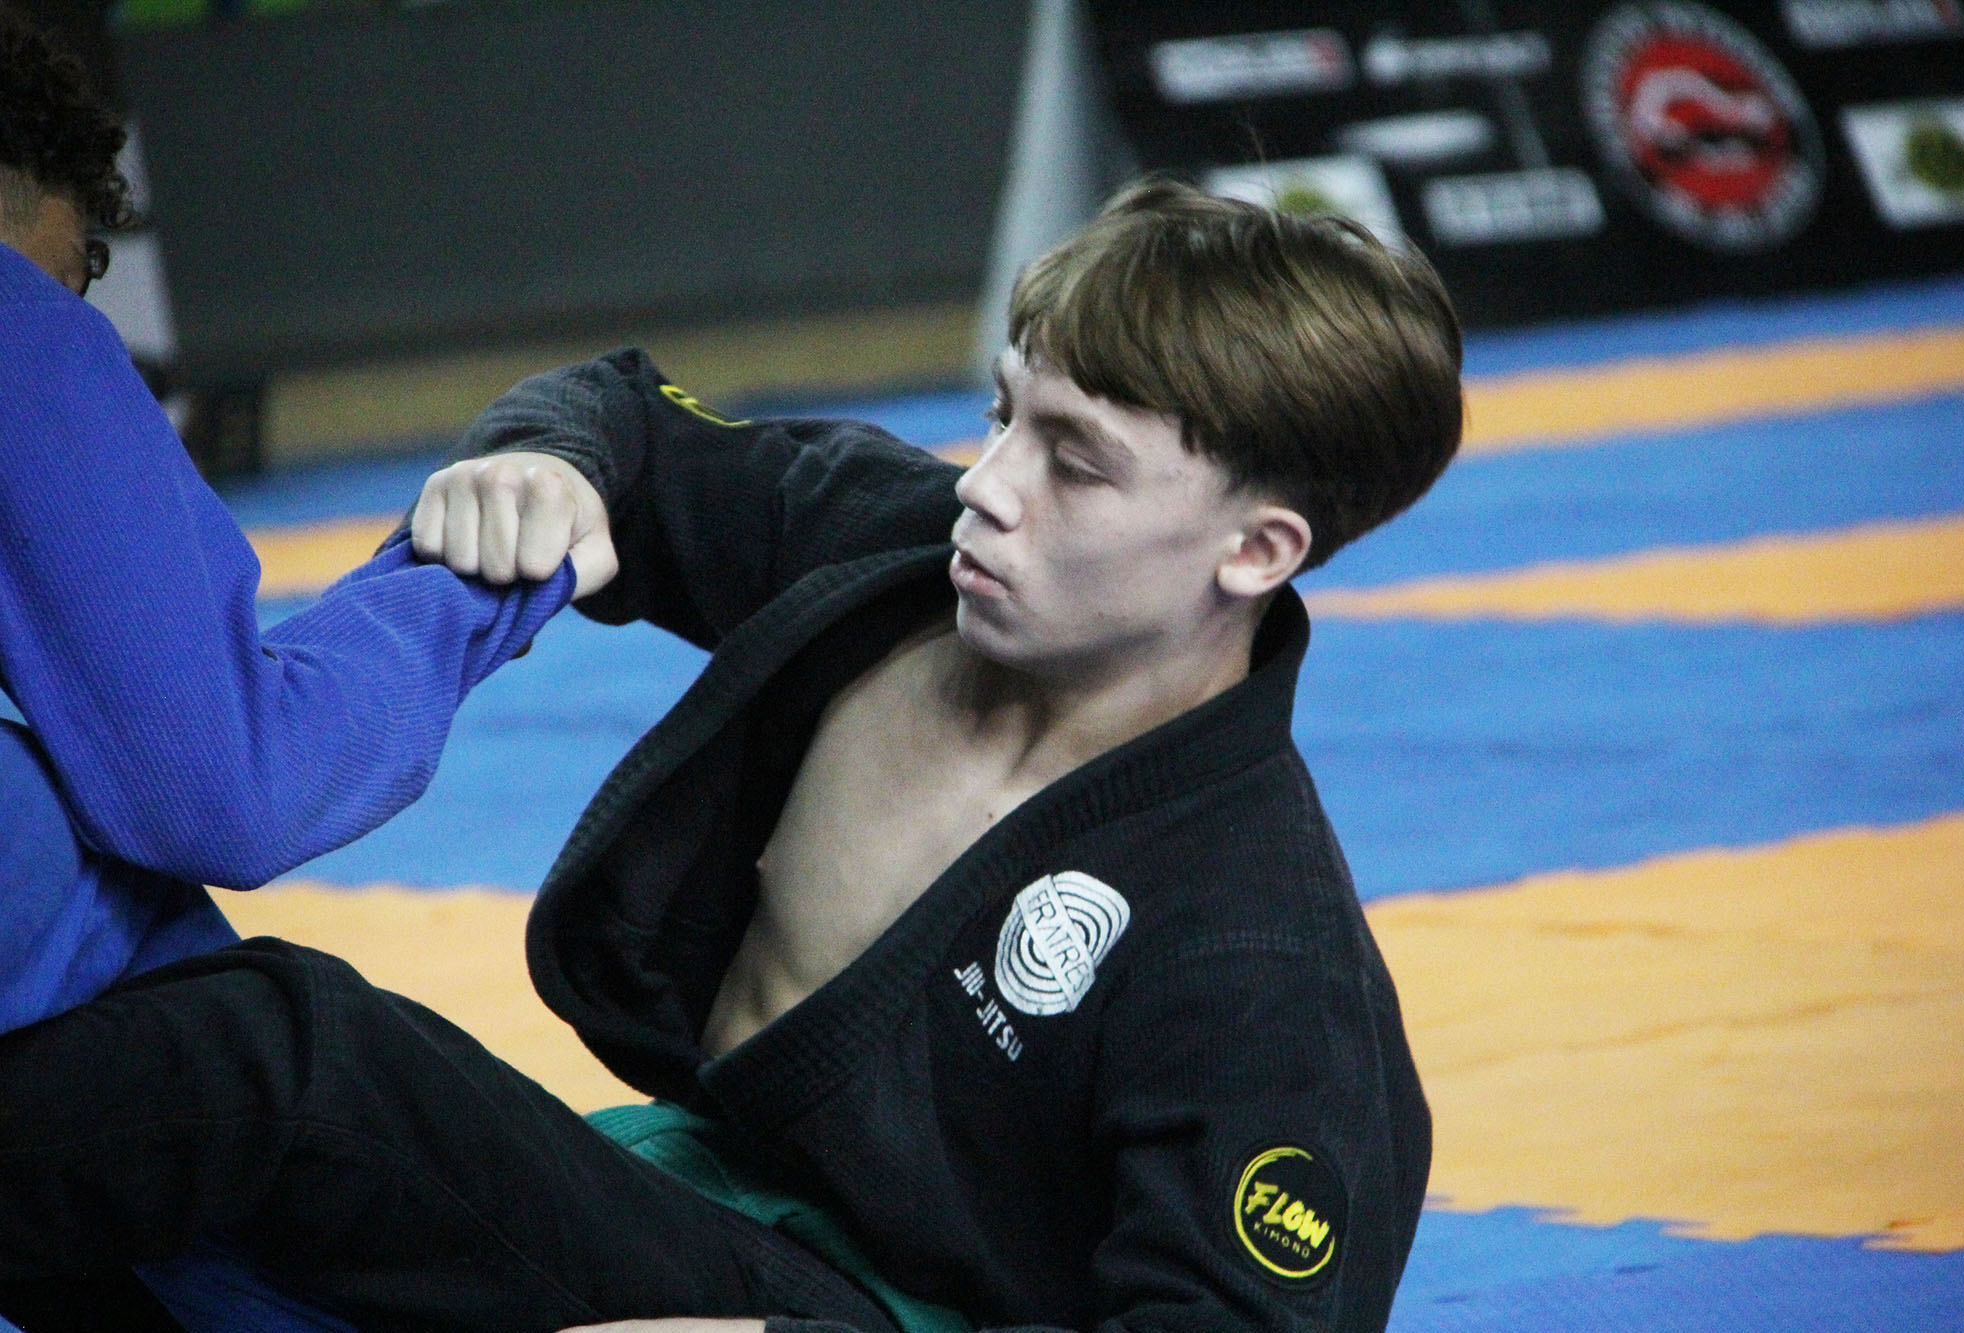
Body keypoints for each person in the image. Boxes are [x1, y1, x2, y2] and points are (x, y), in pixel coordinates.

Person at [0, 178, 1464, 1332]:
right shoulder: (894, 557)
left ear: (1256, 550)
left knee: (285, 1060)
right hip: (683, 1193)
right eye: (1003, 413)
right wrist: (548, 458)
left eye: (1074, 461)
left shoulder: (1260, 957)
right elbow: (631, 424)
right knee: (169, 1194)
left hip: (847, 1311)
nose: (988, 488)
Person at [0, 16, 594, 1331]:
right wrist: (486, 582)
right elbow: (227, 787)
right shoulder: (11, 325)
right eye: (75, 272)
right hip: (150, 1083)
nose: (70, 312)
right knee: (293, 1054)